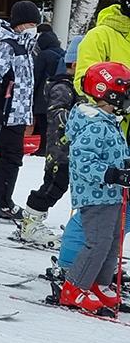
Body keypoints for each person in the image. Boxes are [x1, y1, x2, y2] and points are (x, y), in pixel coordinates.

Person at [58, 61, 130, 316]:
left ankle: (98, 283)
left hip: (112, 193)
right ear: (107, 93)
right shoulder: (95, 124)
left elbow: (114, 153)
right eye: (124, 92)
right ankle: (74, 286)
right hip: (96, 194)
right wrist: (111, 173)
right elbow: (82, 160)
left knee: (111, 242)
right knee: (97, 242)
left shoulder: (110, 121)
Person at [0, 0, 39, 217]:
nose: (33, 28)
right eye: (29, 23)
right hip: (6, 110)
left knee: (7, 155)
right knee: (7, 155)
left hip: (18, 110)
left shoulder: (25, 46)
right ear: (19, 24)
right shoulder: (6, 44)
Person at [18, 36, 80, 246]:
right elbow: (56, 113)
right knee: (54, 185)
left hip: (71, 148)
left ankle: (35, 217)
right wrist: (79, 117)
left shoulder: (76, 87)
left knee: (60, 185)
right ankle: (32, 219)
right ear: (75, 63)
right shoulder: (62, 86)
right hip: (60, 149)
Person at [33, 23, 64, 152]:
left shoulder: (43, 55)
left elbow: (37, 74)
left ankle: (42, 148)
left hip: (42, 94)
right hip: (59, 92)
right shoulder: (63, 52)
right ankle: (51, 147)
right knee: (53, 123)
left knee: (42, 122)